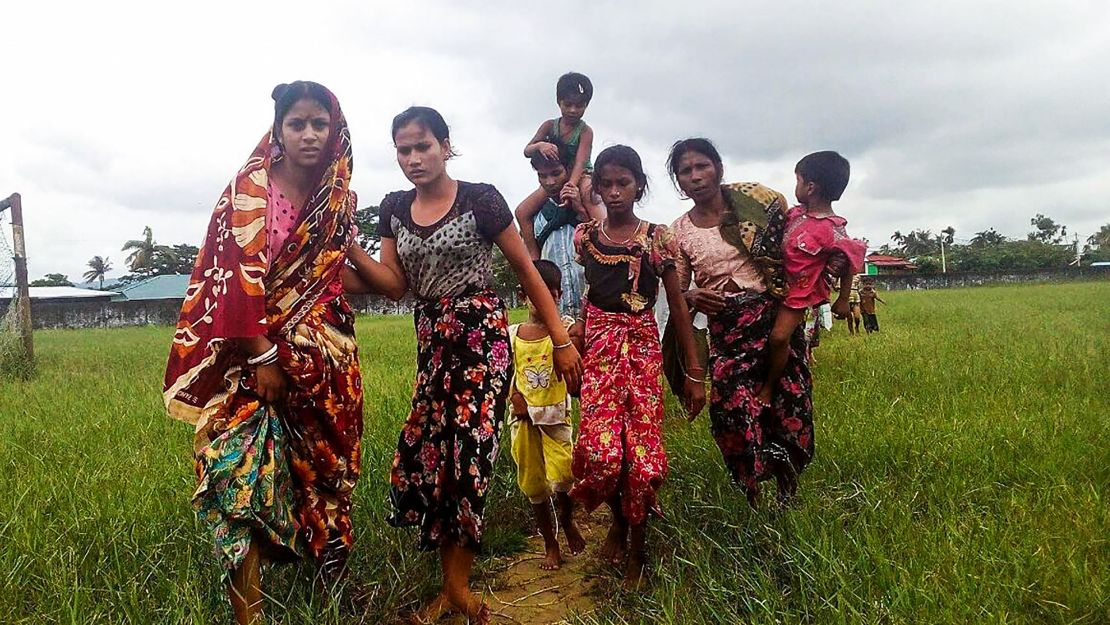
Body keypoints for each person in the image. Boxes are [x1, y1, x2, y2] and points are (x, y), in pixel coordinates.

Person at [163, 81, 400, 625]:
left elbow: (330, 276)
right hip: (252, 356)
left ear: (335, 129)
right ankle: (249, 614)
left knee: (329, 468)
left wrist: (349, 248)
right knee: (236, 471)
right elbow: (234, 281)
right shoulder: (248, 193)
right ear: (279, 130)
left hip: (327, 358)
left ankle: (333, 588)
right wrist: (264, 357)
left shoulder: (337, 200)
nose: (311, 134)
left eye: (321, 123)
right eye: (298, 123)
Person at [375, 106, 582, 625]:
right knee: (431, 454)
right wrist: (335, 255)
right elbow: (392, 284)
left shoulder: (480, 199)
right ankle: (451, 587)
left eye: (424, 146)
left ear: (446, 146)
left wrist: (560, 339)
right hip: (431, 343)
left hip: (479, 338)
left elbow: (526, 271)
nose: (415, 158)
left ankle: (459, 589)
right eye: (404, 149)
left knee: (466, 450)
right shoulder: (394, 208)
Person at [571, 145, 705, 588]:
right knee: (602, 452)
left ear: (639, 186)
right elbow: (589, 300)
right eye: (605, 184)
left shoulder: (657, 238)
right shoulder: (585, 237)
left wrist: (693, 371)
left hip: (642, 347)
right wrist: (574, 347)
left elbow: (680, 310)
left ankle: (638, 550)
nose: (613, 192)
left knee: (641, 455)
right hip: (599, 351)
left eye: (622, 183)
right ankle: (617, 519)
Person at [666, 137, 816, 506]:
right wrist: (692, 297)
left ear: (718, 167)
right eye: (686, 171)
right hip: (728, 332)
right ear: (679, 182)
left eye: (702, 166)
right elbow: (676, 293)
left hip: (774, 322)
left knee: (788, 405)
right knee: (732, 412)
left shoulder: (757, 203)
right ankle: (752, 497)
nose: (696, 176)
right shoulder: (678, 232)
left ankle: (787, 491)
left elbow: (798, 248)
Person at [758, 151, 866, 498]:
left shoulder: (832, 230)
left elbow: (851, 262)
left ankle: (770, 386)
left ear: (812, 186)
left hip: (800, 294)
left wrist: (842, 301)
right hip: (777, 289)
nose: (796, 187)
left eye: (799, 181)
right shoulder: (794, 215)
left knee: (778, 340)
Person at [507, 259, 587, 571]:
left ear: (558, 294)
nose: (542, 299)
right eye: (534, 292)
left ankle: (567, 523)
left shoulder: (565, 332)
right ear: (522, 293)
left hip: (556, 420)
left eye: (549, 293)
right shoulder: (514, 334)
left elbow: (576, 365)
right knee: (533, 485)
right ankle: (549, 542)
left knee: (564, 479)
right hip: (523, 421)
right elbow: (507, 373)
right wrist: (515, 397)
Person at [516, 151, 603, 317]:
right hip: (556, 305)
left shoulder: (591, 201)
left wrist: (580, 210)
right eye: (543, 176)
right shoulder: (535, 215)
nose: (550, 182)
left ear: (569, 169)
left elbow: (603, 240)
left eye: (556, 173)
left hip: (590, 300)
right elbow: (521, 214)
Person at [523, 72, 597, 210]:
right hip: (555, 175)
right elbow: (527, 151)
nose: (573, 110)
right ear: (559, 102)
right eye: (568, 105)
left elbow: (580, 162)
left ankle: (603, 228)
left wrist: (571, 186)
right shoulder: (549, 126)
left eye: (579, 106)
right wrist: (540, 145)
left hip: (581, 175)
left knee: (590, 198)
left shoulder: (585, 131)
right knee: (522, 211)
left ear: (586, 105)